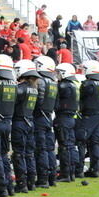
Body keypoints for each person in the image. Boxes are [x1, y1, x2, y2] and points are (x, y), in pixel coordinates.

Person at [11, 59, 40, 192]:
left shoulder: (20, 89)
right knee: (29, 154)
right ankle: (31, 182)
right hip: (29, 121)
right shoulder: (34, 89)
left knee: (19, 154)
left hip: (19, 122)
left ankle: (22, 184)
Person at [0, 54, 17, 197]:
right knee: (4, 155)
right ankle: (9, 185)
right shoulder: (13, 84)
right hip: (8, 121)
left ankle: (1, 188)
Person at [32, 56, 59, 188]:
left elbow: (39, 101)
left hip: (40, 117)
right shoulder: (53, 81)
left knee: (41, 149)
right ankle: (52, 177)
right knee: (49, 148)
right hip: (48, 116)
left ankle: (43, 179)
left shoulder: (41, 81)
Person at [77, 60, 99, 178]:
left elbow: (80, 97)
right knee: (95, 143)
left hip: (88, 116)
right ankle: (95, 168)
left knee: (80, 142)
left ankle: (78, 169)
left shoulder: (88, 84)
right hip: (98, 116)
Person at [54, 62, 80, 181]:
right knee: (70, 145)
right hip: (70, 118)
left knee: (64, 146)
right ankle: (72, 171)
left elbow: (56, 102)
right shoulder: (73, 85)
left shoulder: (63, 86)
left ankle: (66, 173)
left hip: (63, 118)